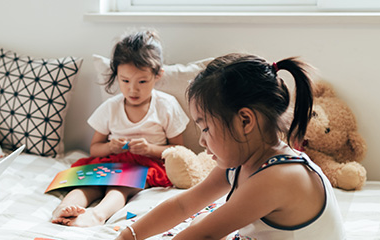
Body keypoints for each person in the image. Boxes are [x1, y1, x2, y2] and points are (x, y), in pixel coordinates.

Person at [115, 53, 345, 240]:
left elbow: (203, 235)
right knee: (200, 220)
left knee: (204, 226)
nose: (202, 141)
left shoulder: (281, 177)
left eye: (205, 128)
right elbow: (184, 205)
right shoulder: (242, 161)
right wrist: (129, 236)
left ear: (245, 121)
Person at [51, 30, 189, 227]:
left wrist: (150, 149)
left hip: (146, 165)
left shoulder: (166, 105)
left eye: (142, 81)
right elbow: (95, 148)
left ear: (157, 75)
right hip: (113, 160)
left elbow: (179, 151)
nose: (133, 89)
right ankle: (63, 208)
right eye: (125, 81)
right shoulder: (111, 107)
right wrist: (110, 147)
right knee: (90, 184)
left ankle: (98, 214)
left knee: (120, 187)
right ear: (117, 75)